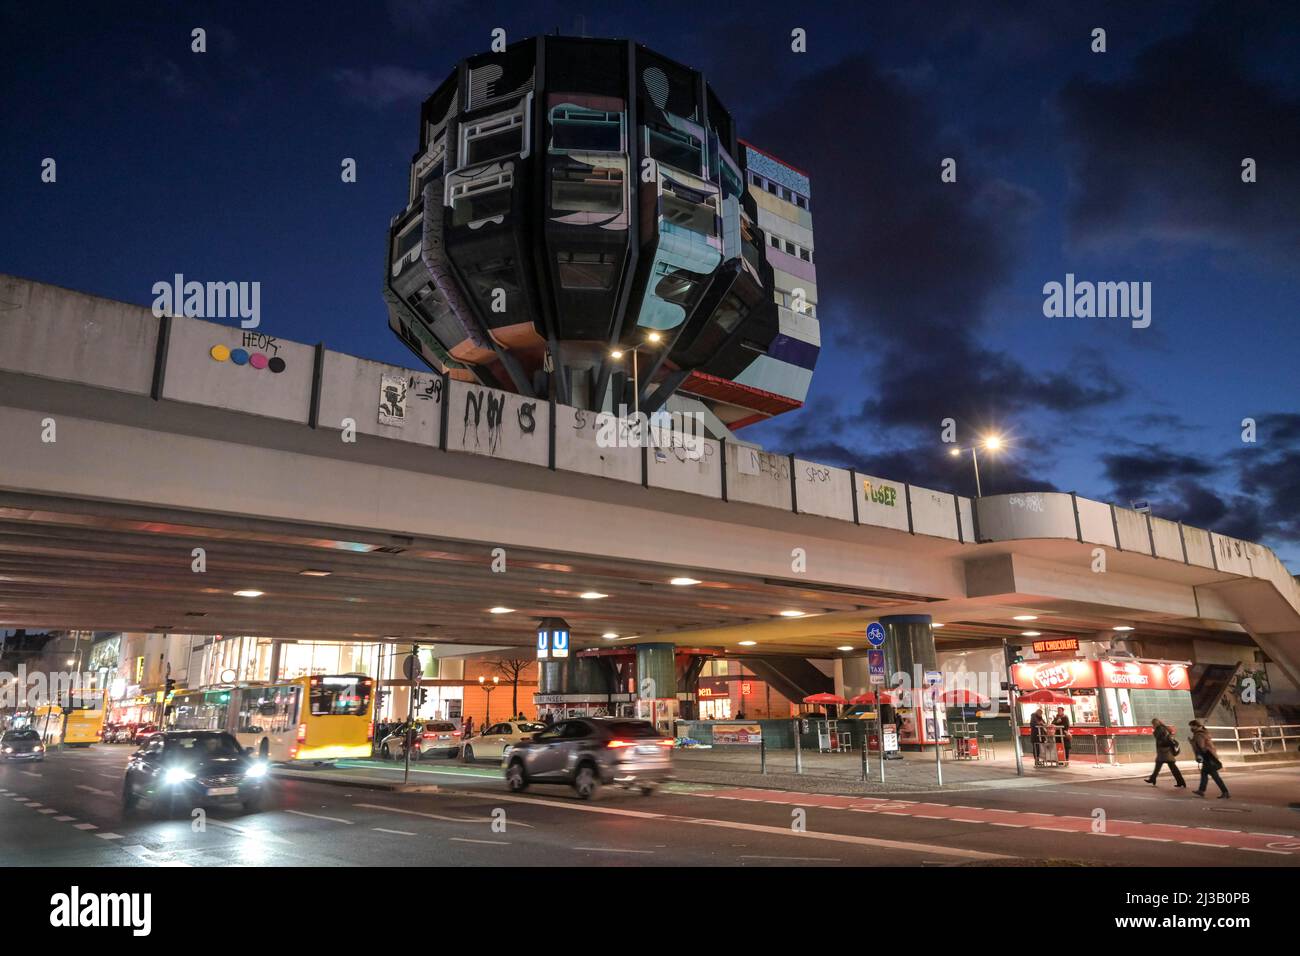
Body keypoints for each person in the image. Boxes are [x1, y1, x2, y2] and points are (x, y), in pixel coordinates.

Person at [1189, 719, 1229, 799]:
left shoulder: (1199, 734)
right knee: (1204, 773)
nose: (1191, 728)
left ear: (1196, 726)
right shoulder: (1203, 732)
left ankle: (1225, 792)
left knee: (1215, 776)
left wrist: (1192, 743)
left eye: (1191, 726)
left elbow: (1201, 746)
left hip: (1207, 756)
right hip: (1209, 756)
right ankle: (1201, 790)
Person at [1146, 717, 1186, 788]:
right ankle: (1181, 782)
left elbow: (1163, 740)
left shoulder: (1160, 729)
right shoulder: (1163, 728)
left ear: (1155, 723)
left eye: (1153, 724)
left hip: (1164, 751)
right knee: (1169, 767)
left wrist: (1156, 735)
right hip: (1165, 751)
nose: (1152, 725)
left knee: (1167, 766)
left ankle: (1153, 779)